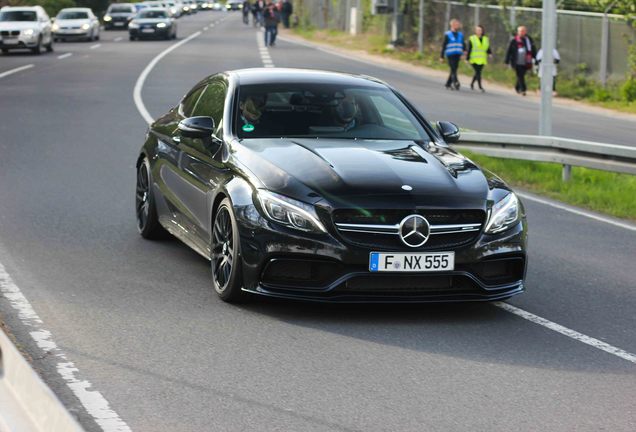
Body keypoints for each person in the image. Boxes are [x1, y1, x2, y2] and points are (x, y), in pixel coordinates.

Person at [505, 26, 536, 96]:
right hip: (516, 61)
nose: (521, 32)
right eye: (520, 31)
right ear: (518, 32)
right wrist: (507, 61)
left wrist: (535, 57)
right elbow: (509, 51)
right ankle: (523, 89)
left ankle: (517, 87)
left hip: (526, 61)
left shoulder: (529, 40)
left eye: (523, 31)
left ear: (525, 32)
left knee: (521, 75)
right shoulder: (514, 40)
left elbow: (533, 49)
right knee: (520, 75)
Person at [440, 19, 466, 91]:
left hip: (457, 54)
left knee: (454, 69)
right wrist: (441, 56)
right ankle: (456, 82)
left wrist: (464, 52)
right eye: (456, 24)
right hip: (450, 54)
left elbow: (463, 44)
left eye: (458, 24)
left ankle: (448, 84)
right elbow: (444, 46)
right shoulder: (448, 34)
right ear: (452, 25)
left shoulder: (460, 34)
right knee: (453, 68)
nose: (458, 25)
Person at [466, 24, 492, 92]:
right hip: (474, 59)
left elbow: (487, 47)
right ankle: (480, 87)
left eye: (480, 30)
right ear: (475, 31)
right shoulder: (472, 38)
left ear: (482, 31)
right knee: (478, 72)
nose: (479, 31)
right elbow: (469, 49)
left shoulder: (485, 39)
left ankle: (472, 84)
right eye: (477, 30)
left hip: (482, 59)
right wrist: (467, 58)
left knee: (478, 72)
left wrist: (490, 53)